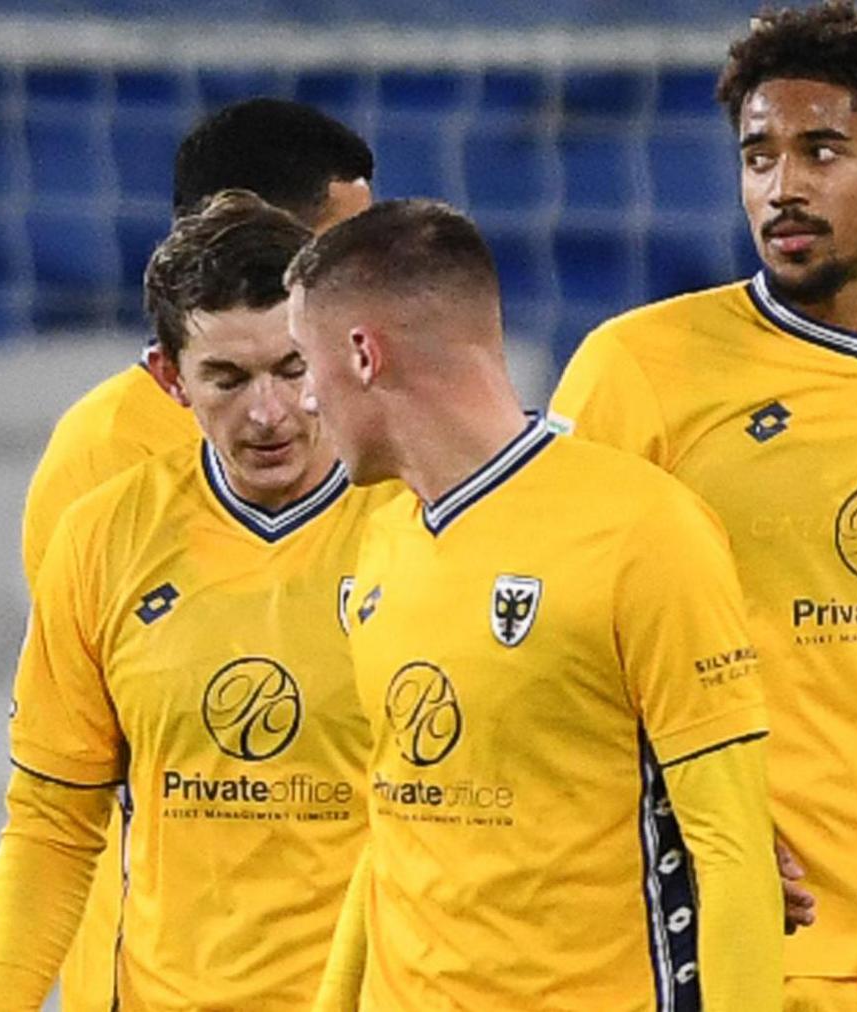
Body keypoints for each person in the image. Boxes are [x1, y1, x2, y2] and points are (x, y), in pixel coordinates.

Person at [548, 3, 857, 1009]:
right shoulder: (636, 370)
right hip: (751, 930)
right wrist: (677, 811)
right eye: (759, 155)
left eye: (822, 151)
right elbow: (545, 648)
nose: (783, 186)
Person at [287, 198, 785, 1011]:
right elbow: (394, 834)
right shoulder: (380, 546)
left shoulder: (642, 529)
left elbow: (732, 851)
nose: (304, 400)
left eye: (303, 364)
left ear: (363, 353)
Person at [0, 191, 396, 1010]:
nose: (267, 412)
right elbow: (51, 824)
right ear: (170, 378)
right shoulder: (106, 538)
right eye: (227, 379)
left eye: (290, 369)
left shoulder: (415, 523)